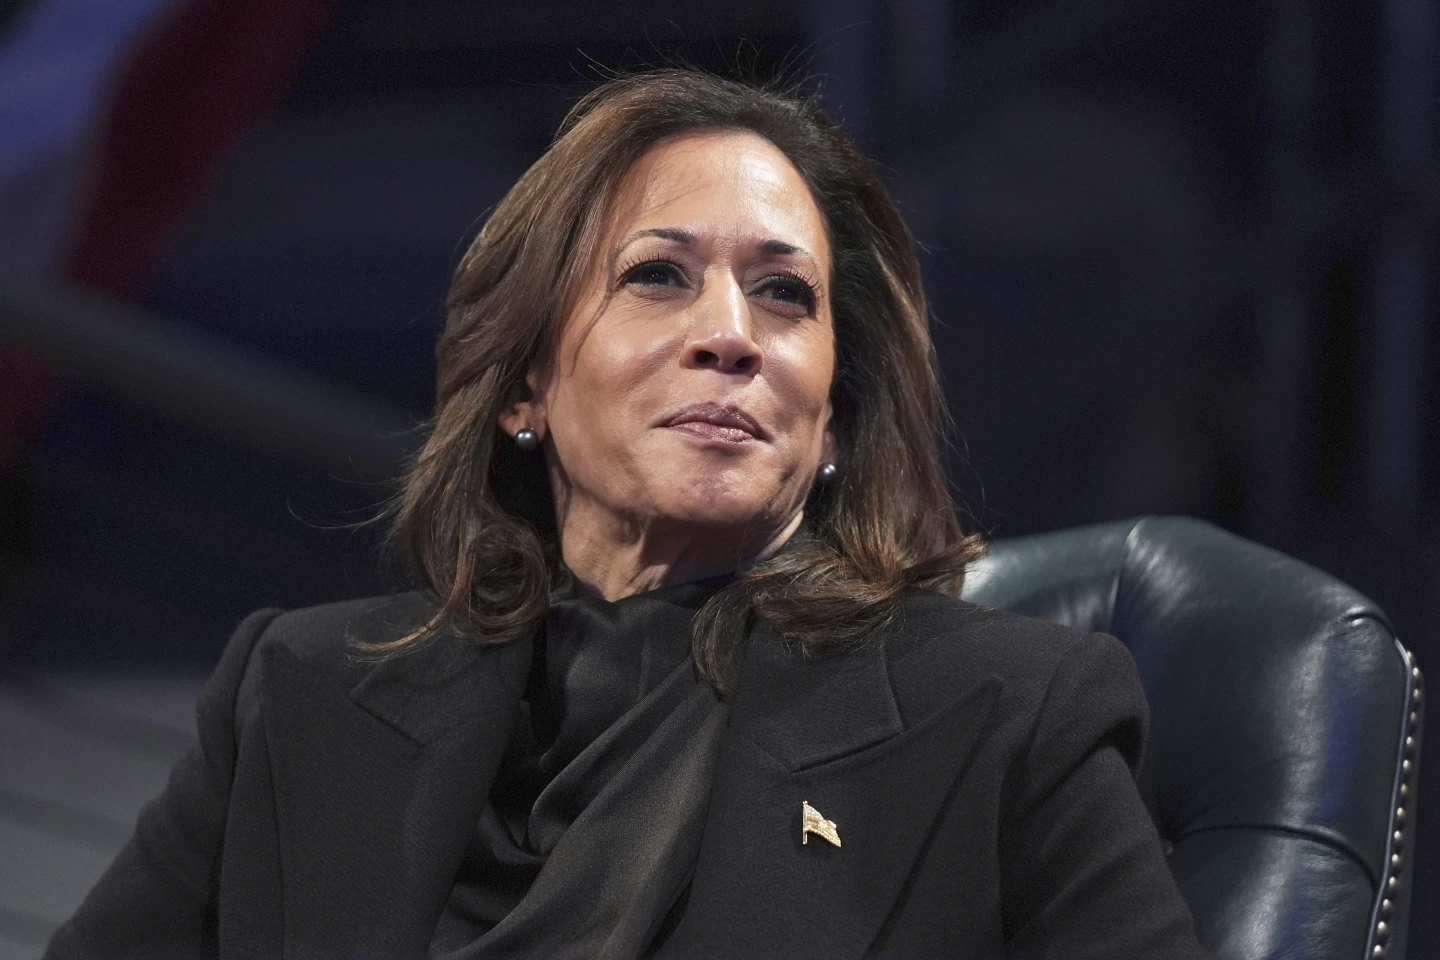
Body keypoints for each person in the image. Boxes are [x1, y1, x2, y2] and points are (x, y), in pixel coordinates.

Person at [44, 70, 1208, 959]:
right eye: (658, 276)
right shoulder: (294, 696)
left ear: (833, 421)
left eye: (785, 293)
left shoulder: (1008, 717)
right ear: (524, 388)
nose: (731, 335)